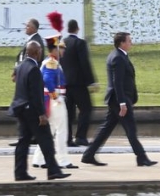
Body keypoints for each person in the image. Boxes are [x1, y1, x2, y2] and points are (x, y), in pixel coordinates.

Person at [81, 32, 158, 167]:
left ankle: (88, 155)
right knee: (131, 129)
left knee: (106, 128)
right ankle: (141, 157)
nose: (131, 43)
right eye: (129, 40)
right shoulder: (118, 58)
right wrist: (122, 102)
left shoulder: (118, 55)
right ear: (122, 43)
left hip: (117, 99)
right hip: (119, 99)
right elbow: (118, 82)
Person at [8, 40, 71, 181]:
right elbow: (36, 95)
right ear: (37, 52)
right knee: (46, 140)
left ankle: (20, 172)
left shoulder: (21, 66)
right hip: (32, 111)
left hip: (21, 108)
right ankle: (53, 171)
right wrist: (42, 114)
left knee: (23, 142)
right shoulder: (34, 69)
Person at [31, 37, 78, 169]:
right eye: (61, 48)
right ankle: (63, 160)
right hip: (55, 100)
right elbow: (47, 80)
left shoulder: (50, 61)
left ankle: (39, 158)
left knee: (50, 130)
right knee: (61, 130)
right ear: (56, 49)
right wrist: (56, 96)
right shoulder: (52, 63)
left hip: (51, 100)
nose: (63, 51)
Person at [61, 19, 98, 147]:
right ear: (77, 29)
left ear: (68, 29)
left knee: (68, 112)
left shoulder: (62, 43)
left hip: (64, 84)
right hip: (78, 84)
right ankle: (81, 137)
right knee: (86, 109)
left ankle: (67, 138)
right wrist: (92, 82)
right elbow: (84, 63)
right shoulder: (80, 43)